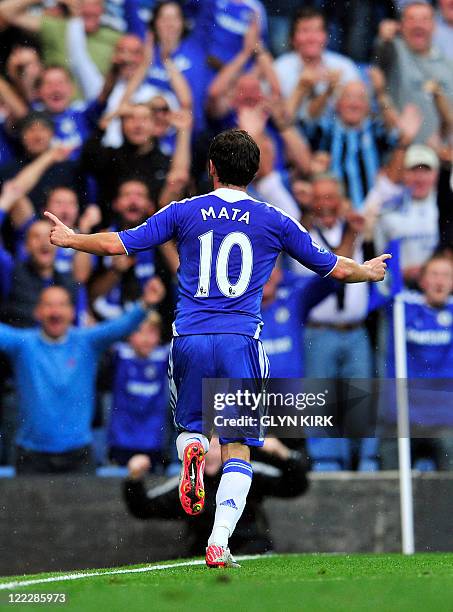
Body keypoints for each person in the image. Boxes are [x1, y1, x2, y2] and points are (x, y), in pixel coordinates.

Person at [45, 128, 390, 568]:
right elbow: (331, 268)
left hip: (189, 336)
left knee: (191, 428)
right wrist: (367, 270)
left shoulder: (183, 211)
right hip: (239, 340)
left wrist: (73, 238)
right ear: (256, 170)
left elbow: (119, 242)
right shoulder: (275, 218)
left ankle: (191, 449)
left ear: (211, 169)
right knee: (238, 449)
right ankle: (220, 540)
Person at [0, 278, 165, 474]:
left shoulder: (86, 341)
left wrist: (146, 302)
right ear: (37, 312)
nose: (55, 311)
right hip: (31, 454)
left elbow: (121, 326)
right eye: (48, 305)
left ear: (72, 313)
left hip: (78, 455)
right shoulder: (23, 344)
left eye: (61, 305)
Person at [123, 436, 309, 556]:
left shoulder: (247, 474)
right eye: (203, 449)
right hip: (203, 552)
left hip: (253, 548)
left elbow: (295, 486)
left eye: (216, 447)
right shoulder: (188, 482)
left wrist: (284, 454)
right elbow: (143, 507)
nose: (209, 455)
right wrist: (134, 478)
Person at [381, 254, 453, 469]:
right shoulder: (401, 306)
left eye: (447, 275)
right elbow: (379, 288)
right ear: (422, 281)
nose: (440, 281)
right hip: (403, 415)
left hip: (445, 418)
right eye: (434, 274)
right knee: (391, 484)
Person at [374, 1, 453, 142]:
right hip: (401, 154)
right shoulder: (395, 51)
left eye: (424, 19)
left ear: (434, 26)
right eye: (411, 19)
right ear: (401, 25)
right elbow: (379, 61)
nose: (418, 24)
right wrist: (383, 39)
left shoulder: (448, 66)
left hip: (439, 155)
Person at [108, 311, 170, 468]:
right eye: (139, 331)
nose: (145, 338)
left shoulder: (165, 357)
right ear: (128, 333)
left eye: (152, 332)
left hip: (155, 441)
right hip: (121, 442)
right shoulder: (118, 354)